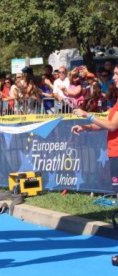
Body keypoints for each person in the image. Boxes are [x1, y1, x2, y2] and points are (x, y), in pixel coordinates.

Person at [71, 64, 118, 266]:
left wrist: (86, 115)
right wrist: (86, 127)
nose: (114, 77)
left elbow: (112, 125)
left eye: (117, 74)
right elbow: (105, 123)